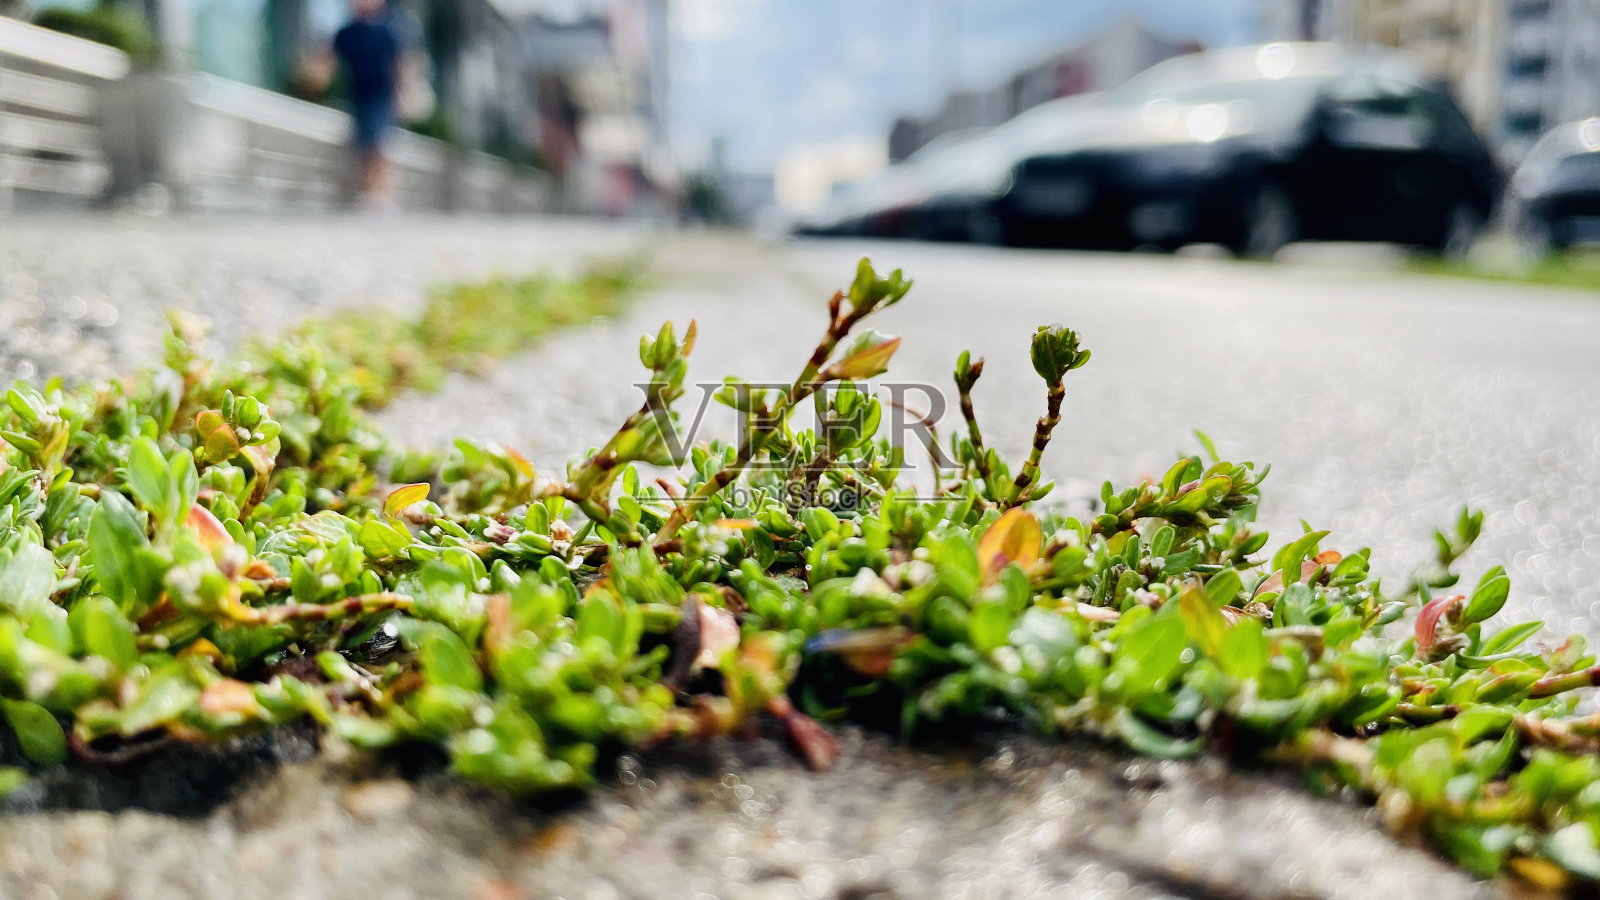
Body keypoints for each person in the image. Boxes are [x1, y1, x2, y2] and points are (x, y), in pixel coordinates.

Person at [332, 0, 402, 209]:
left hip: (382, 95)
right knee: (362, 145)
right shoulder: (347, 33)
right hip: (357, 95)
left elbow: (398, 63)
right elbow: (330, 59)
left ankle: (382, 192)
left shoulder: (385, 31)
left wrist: (400, 94)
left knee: (379, 144)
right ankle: (367, 191)